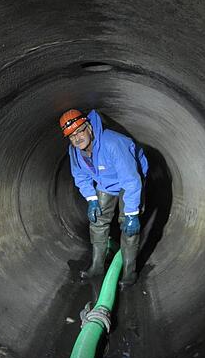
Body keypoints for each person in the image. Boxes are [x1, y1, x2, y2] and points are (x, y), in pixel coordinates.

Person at [59, 108, 148, 286]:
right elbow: (81, 177)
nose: (77, 138)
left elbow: (131, 180)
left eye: (79, 131)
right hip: (105, 182)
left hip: (128, 181)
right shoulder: (75, 152)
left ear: (89, 128)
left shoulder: (112, 143)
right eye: (71, 136)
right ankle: (97, 266)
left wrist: (132, 213)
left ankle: (129, 272)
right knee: (97, 221)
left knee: (128, 227)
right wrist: (92, 199)